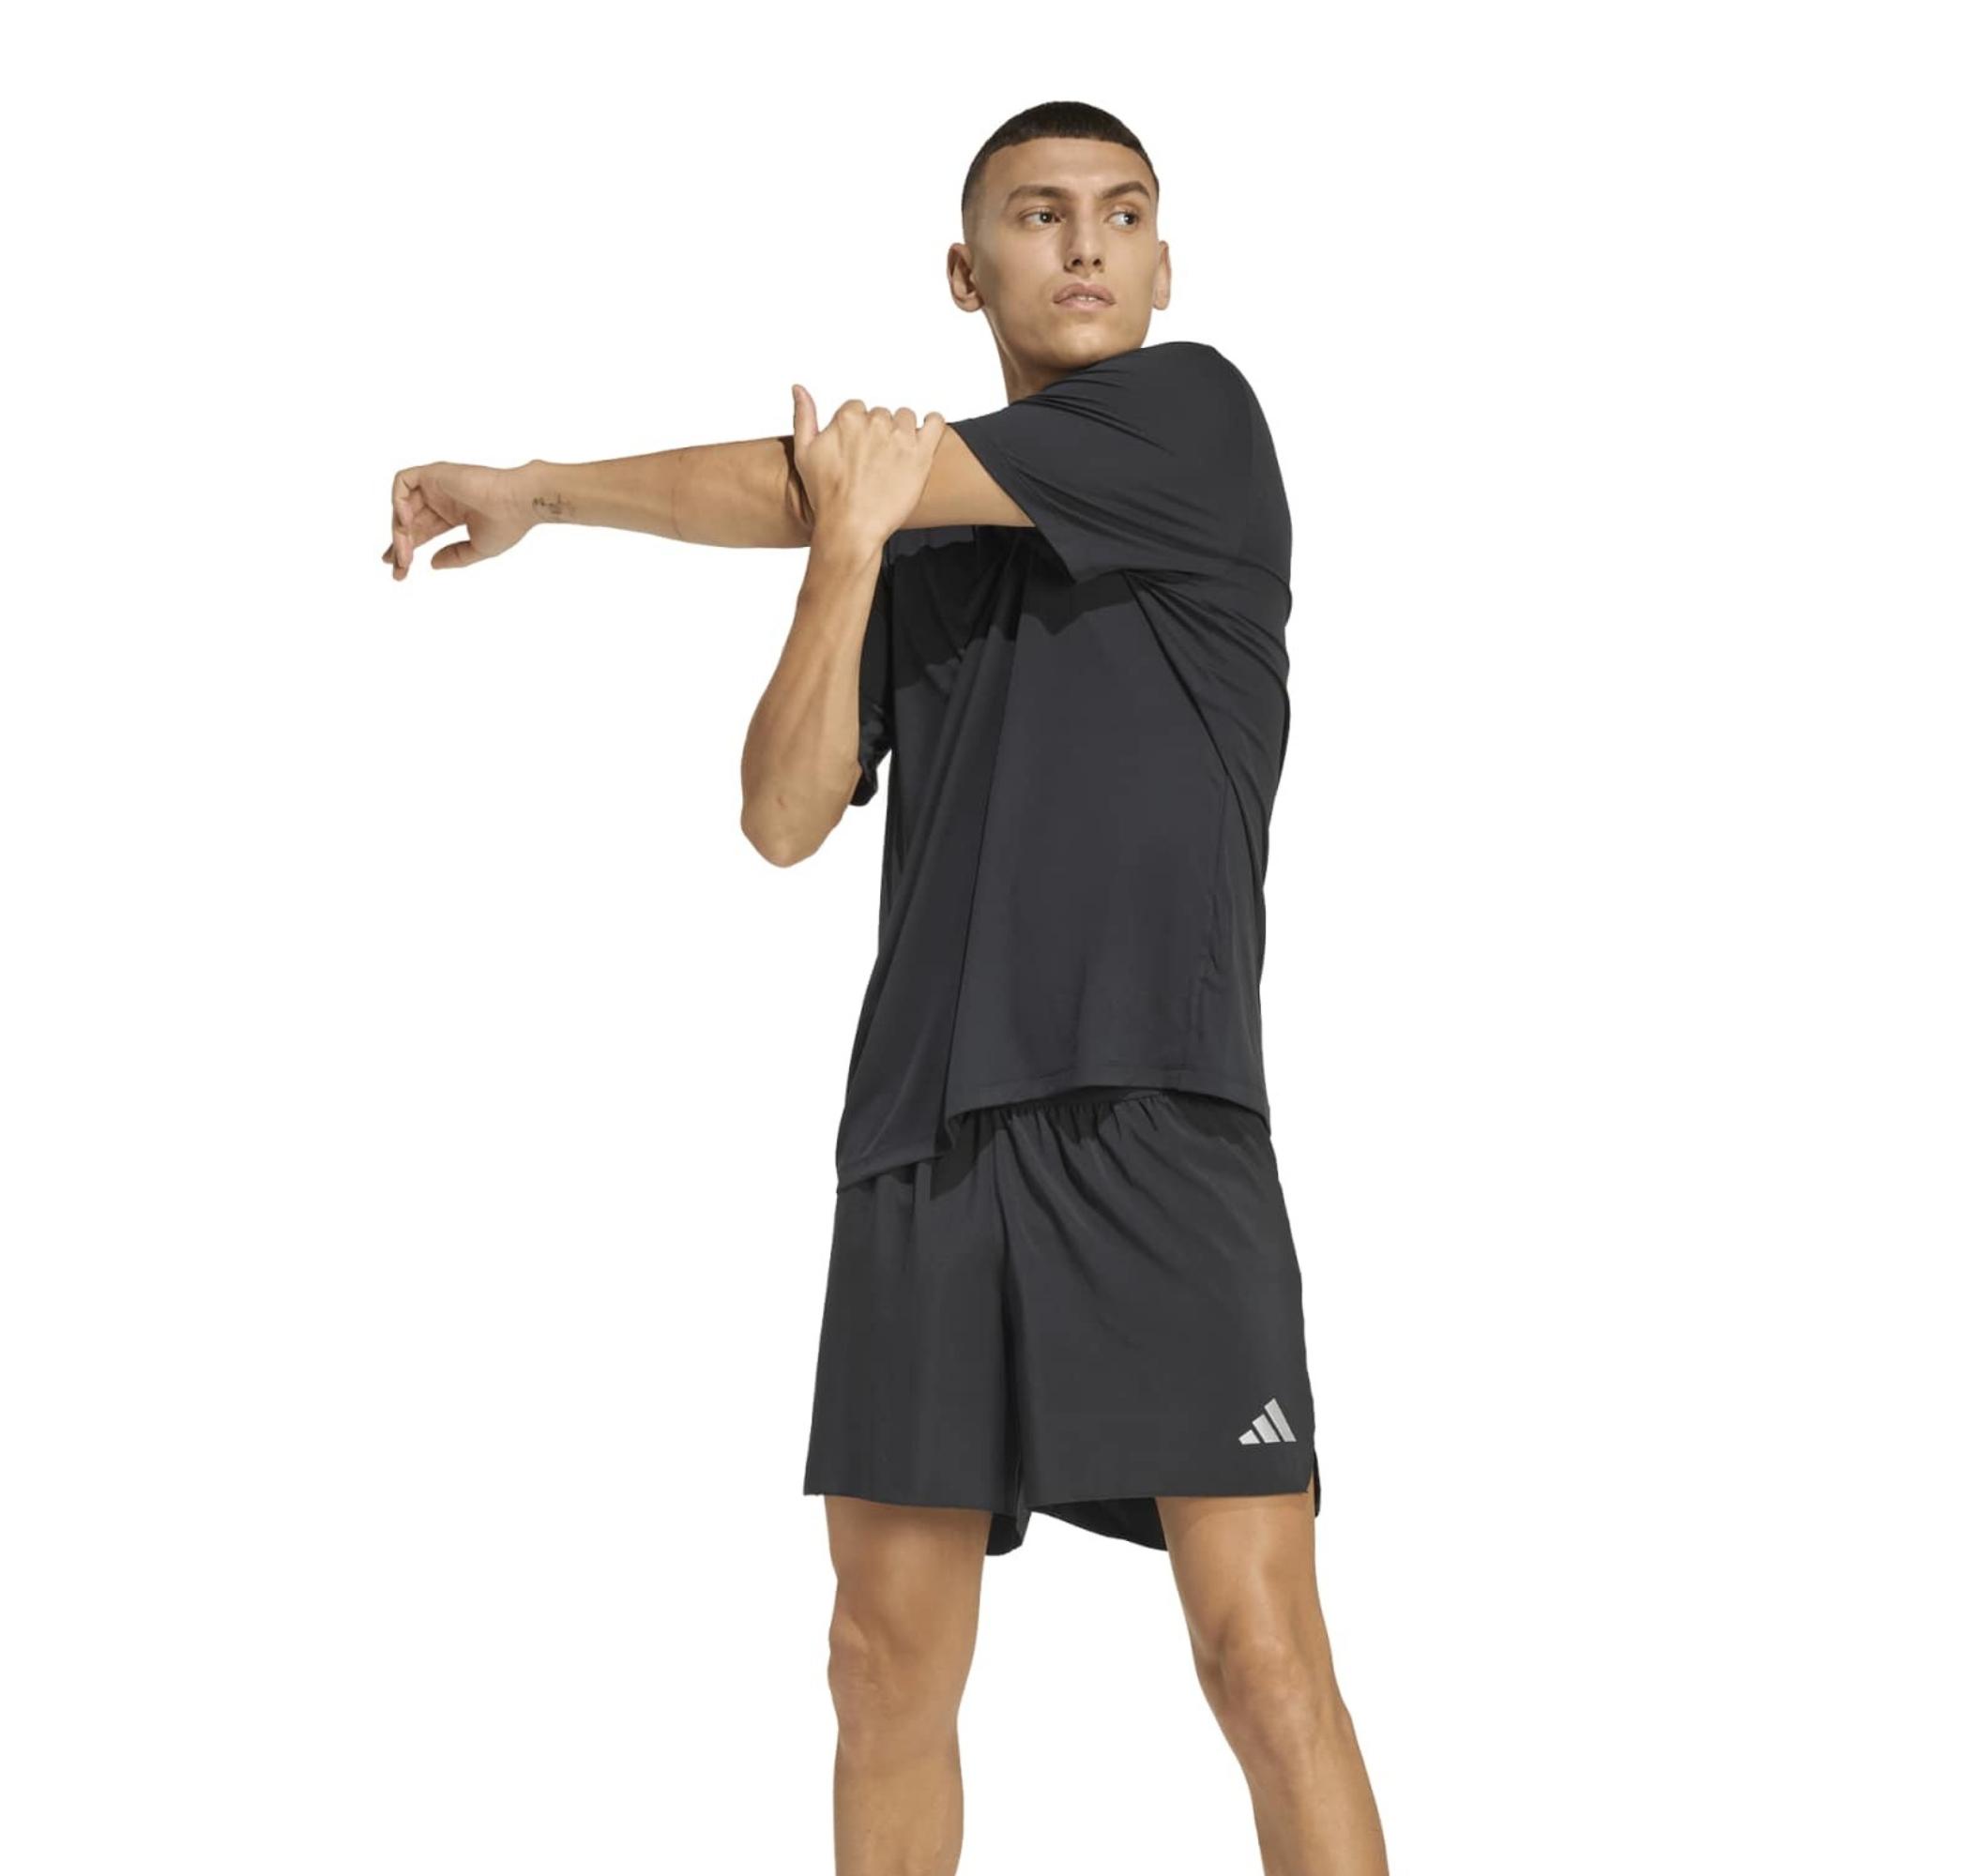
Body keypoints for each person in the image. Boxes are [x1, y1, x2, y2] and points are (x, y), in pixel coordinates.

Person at [383, 98, 1387, 1876]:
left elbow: (813, 475)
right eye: (1037, 213)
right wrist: (845, 556)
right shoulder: (906, 534)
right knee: (878, 1665)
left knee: (1259, 1657)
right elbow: (780, 817)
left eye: (1120, 213)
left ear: (1164, 263)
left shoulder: (1194, 418)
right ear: (963, 270)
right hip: (923, 1140)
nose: (1083, 244)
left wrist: (542, 489)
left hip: (1155, 1121)